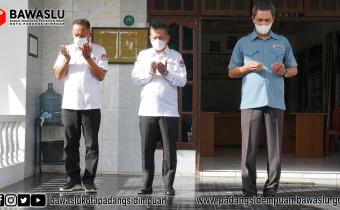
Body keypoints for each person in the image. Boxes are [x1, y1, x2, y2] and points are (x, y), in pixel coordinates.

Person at [228, 0, 298, 197]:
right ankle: (248, 189)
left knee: (275, 149)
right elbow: (232, 72)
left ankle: (271, 189)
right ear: (253, 19)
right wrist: (245, 68)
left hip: (275, 101)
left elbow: (294, 69)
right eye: (260, 19)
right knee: (248, 148)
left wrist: (285, 71)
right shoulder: (243, 43)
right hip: (251, 102)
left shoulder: (283, 42)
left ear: (273, 19)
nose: (263, 22)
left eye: (267, 19)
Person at [131, 22, 187, 196]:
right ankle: (146, 186)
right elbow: (135, 79)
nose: (158, 40)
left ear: (168, 38)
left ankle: (168, 185)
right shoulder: (143, 55)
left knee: (169, 151)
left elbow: (183, 81)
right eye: (154, 37)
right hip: (147, 110)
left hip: (168, 111)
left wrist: (166, 73)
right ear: (150, 38)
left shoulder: (176, 56)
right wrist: (149, 72)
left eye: (161, 37)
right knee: (146, 150)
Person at [53, 19, 108, 193]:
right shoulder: (66, 50)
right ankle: (73, 180)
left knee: (91, 145)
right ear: (72, 33)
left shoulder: (99, 50)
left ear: (89, 33)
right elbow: (58, 75)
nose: (79, 37)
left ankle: (89, 181)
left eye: (82, 34)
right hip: (69, 105)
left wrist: (88, 58)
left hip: (91, 105)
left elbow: (100, 76)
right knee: (70, 144)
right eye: (76, 34)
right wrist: (67, 60)